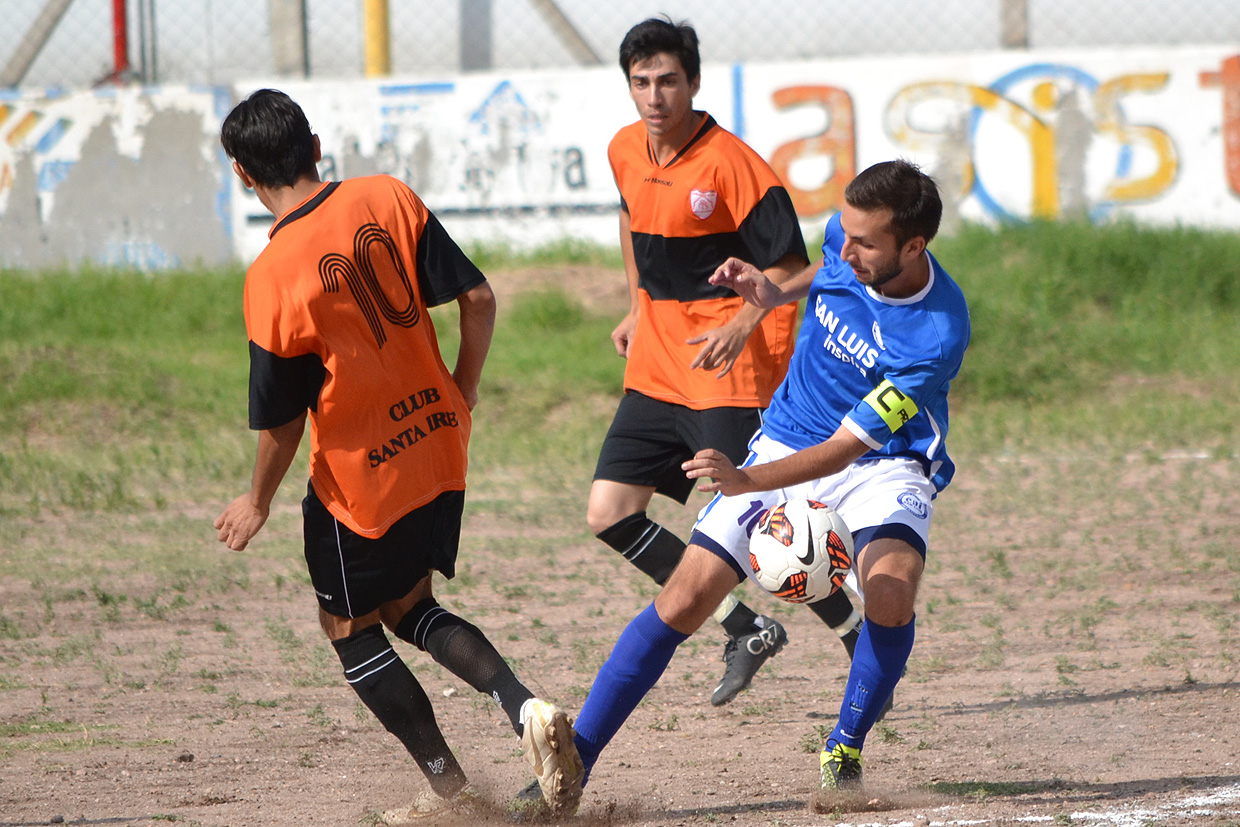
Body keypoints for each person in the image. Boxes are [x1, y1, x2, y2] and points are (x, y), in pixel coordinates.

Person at [212, 89, 584, 822]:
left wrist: (255, 499)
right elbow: (477, 298)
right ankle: (524, 705)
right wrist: (462, 390)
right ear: (315, 146)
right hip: (440, 443)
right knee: (410, 603)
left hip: (364, 479)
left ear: (240, 173)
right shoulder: (388, 195)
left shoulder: (272, 275)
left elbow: (284, 420)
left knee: (349, 626)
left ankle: (451, 793)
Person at [567, 159, 970, 795]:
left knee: (890, 594)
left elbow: (843, 452)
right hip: (788, 432)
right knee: (684, 598)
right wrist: (774, 293)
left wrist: (747, 481)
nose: (846, 245)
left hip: (881, 460)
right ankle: (574, 762)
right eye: (846, 230)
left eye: (867, 242)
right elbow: (828, 269)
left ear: (913, 247)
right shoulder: (848, 239)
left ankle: (844, 745)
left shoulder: (936, 334)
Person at [588, 15, 863, 709]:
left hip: (726, 365)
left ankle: (863, 640)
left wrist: (745, 321)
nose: (655, 97)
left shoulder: (733, 164)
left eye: (668, 81)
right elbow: (629, 216)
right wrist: (634, 301)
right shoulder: (624, 148)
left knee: (764, 527)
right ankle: (745, 628)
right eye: (642, 82)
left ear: (694, 83)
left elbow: (794, 265)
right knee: (610, 512)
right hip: (656, 360)